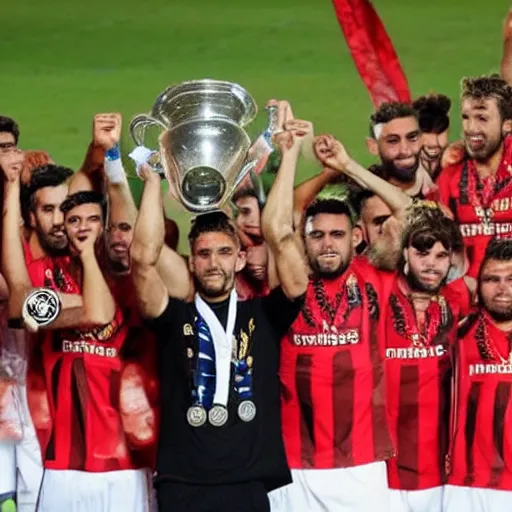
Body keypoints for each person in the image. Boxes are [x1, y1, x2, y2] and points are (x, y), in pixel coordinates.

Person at [130, 100, 309, 512]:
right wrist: (154, 182)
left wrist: (290, 154)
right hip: (182, 483)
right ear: (191, 261)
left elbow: (280, 233)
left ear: (241, 259)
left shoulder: (265, 316)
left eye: (224, 252)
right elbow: (143, 257)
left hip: (247, 482)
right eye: (205, 254)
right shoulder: (172, 317)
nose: (214, 262)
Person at [444, 237, 512, 512]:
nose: (502, 288)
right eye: (491, 279)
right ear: (478, 285)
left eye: (510, 278)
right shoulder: (458, 332)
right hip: (466, 484)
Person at [437, 74, 512, 280]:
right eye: (466, 117)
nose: (470, 128)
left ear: (507, 125)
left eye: (482, 118)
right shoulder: (450, 177)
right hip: (467, 298)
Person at [367, 102, 436, 199]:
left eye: (412, 137)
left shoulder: (442, 183)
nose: (405, 150)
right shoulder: (362, 195)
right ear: (373, 147)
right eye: (393, 141)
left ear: (422, 139)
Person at [413, 94, 451, 180]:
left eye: (439, 132)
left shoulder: (460, 163)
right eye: (426, 132)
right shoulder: (400, 167)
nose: (433, 143)